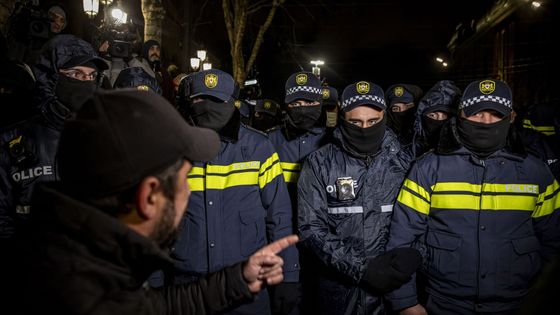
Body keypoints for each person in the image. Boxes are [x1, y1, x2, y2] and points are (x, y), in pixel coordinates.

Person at [3, 88, 299, 314]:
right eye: (185, 180)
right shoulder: (85, 294)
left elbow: (151, 307)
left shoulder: (80, 265)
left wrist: (237, 280)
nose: (190, 191)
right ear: (150, 197)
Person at [386, 79, 560, 315]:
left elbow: (553, 242)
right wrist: (405, 301)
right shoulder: (428, 168)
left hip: (518, 303)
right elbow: (401, 238)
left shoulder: (536, 171)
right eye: (477, 114)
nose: (486, 122)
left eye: (495, 114)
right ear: (460, 116)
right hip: (444, 303)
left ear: (511, 118)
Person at [169, 69, 299, 315]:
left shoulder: (259, 148)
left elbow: (279, 217)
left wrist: (289, 276)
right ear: (189, 102)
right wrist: (153, 280)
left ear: (232, 103)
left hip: (247, 283)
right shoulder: (172, 149)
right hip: (188, 286)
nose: (208, 107)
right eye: (200, 99)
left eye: (218, 101)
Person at [297, 80, 421, 315]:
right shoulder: (318, 163)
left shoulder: (406, 163)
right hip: (337, 296)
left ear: (384, 115)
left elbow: (423, 226)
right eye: (355, 122)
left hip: (393, 296)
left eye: (373, 121)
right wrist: (362, 269)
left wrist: (415, 256)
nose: (364, 128)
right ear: (343, 118)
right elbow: (310, 229)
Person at [0, 34, 107, 241]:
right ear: (50, 77)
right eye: (75, 74)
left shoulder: (106, 139)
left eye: (91, 76)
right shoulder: (12, 141)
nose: (85, 82)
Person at [267, 71, 328, 314]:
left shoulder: (333, 141)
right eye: (296, 103)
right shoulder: (269, 142)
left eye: (310, 102)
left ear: (320, 104)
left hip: (321, 244)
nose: (303, 108)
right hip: (280, 239)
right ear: (286, 105)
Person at [412, 80, 461, 157]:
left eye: (445, 116)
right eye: (432, 115)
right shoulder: (409, 151)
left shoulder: (462, 153)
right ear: (420, 119)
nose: (439, 120)